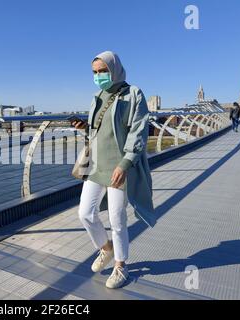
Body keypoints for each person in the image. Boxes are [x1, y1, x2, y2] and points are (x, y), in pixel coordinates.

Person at [70, 51, 155, 289]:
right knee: (85, 213)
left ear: (114, 69)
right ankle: (106, 249)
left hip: (120, 168)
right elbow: (98, 132)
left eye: (103, 71)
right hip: (97, 165)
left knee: (117, 219)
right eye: (95, 73)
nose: (98, 76)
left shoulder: (133, 94)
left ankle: (121, 266)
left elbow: (138, 132)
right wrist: (84, 127)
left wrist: (125, 164)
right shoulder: (97, 96)